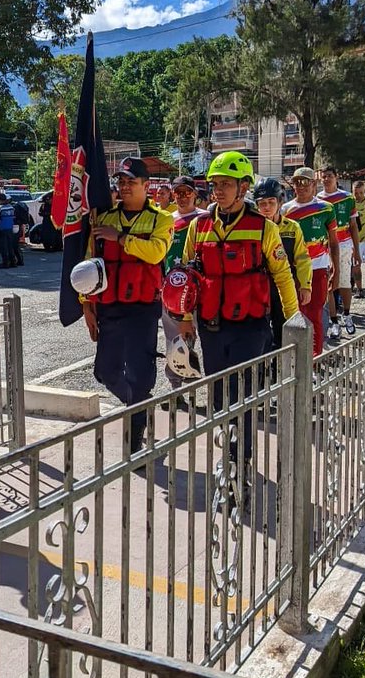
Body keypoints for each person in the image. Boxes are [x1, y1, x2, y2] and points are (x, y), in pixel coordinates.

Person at [178, 152, 299, 506]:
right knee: (218, 397)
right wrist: (185, 318)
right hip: (211, 326)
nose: (218, 191)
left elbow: (282, 276)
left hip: (250, 328)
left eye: (226, 185)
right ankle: (232, 452)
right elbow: (187, 274)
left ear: (244, 187)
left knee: (241, 397)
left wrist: (294, 321)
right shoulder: (199, 227)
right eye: (214, 184)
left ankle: (236, 463)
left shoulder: (265, 227)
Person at [82, 157, 173, 453]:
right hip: (109, 306)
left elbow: (156, 252)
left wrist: (120, 238)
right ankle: (138, 407)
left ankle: (135, 438)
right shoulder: (104, 218)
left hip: (142, 308)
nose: (124, 187)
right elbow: (89, 264)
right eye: (120, 182)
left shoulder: (161, 219)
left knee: (140, 374)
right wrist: (87, 305)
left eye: (131, 182)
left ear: (146, 186)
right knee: (104, 371)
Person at [252, 178, 313, 351]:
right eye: (262, 203)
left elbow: (302, 258)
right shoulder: (252, 228)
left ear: (280, 202)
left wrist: (305, 285)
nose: (267, 207)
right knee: (259, 334)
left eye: (271, 202)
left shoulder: (293, 228)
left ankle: (284, 368)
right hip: (258, 289)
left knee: (284, 330)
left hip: (284, 287)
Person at [282, 168, 337, 356]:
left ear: (314, 184)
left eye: (305, 182)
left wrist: (335, 266)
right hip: (291, 271)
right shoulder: (284, 210)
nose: (301, 186)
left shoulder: (326, 208)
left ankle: (313, 359)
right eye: (297, 182)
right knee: (292, 315)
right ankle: (294, 357)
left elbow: (333, 241)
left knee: (314, 316)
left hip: (318, 269)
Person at [161, 176, 207, 397]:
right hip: (172, 292)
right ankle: (175, 390)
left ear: (195, 195)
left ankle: (196, 387)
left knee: (203, 340)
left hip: (202, 291)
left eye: (186, 192)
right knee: (174, 341)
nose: (181, 197)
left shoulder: (205, 219)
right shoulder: (166, 220)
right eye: (177, 193)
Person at [318, 167, 360, 340]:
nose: (326, 179)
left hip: (344, 244)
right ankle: (334, 322)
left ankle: (347, 315)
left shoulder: (347, 198)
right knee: (329, 284)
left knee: (344, 283)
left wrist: (356, 250)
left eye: (329, 176)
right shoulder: (318, 199)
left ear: (336, 177)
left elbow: (353, 225)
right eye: (324, 177)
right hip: (324, 246)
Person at [0, 192, 18, 268]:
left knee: (3, 247)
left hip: (2, 229)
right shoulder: (11, 207)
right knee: (10, 246)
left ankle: (5, 263)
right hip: (10, 228)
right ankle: (13, 262)